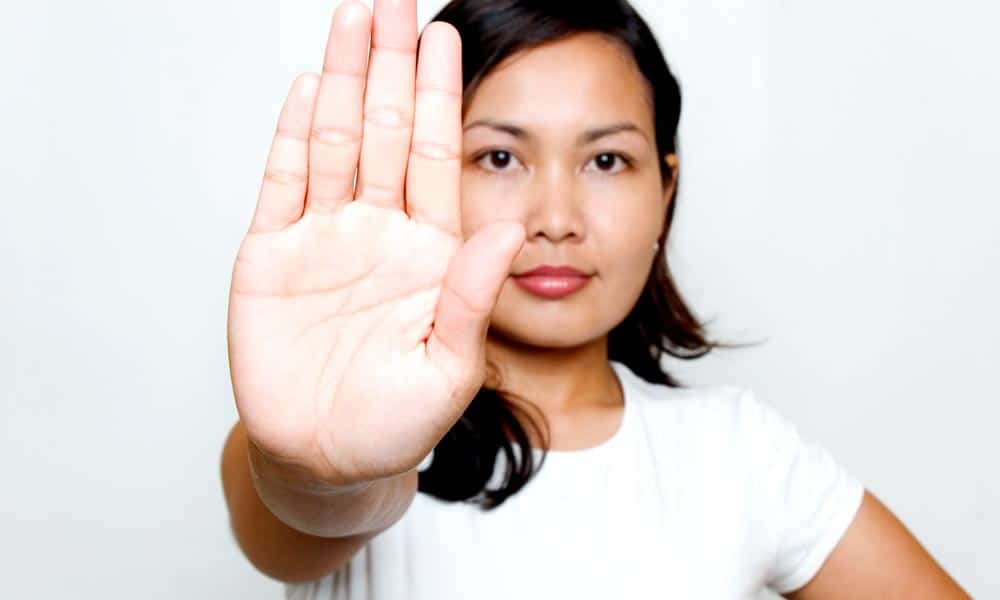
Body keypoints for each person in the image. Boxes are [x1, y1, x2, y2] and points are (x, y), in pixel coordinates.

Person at [219, 0, 970, 597]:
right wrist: (323, 475)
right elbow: (303, 519)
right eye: (500, 156)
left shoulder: (739, 453)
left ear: (665, 187)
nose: (556, 219)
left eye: (607, 160)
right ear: (425, 170)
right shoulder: (340, 423)